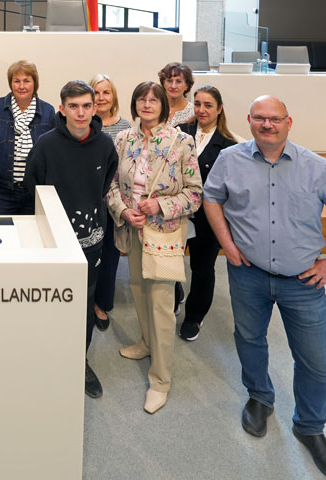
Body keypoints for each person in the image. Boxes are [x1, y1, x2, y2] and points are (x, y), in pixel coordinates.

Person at [203, 95, 326, 475]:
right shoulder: (230, 160)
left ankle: (309, 425)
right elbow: (211, 198)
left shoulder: (315, 166)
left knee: (316, 360)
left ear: (289, 122)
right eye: (259, 118)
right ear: (249, 121)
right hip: (248, 274)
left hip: (303, 281)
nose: (267, 125)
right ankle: (259, 397)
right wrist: (227, 244)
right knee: (250, 339)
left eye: (274, 119)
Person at [106, 81, 201, 414]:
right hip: (132, 231)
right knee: (138, 289)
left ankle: (160, 380)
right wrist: (123, 210)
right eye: (141, 100)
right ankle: (147, 343)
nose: (147, 105)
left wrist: (160, 206)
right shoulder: (123, 140)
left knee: (161, 303)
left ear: (164, 105)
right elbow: (112, 187)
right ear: (134, 105)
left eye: (153, 100)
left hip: (164, 234)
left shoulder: (181, 142)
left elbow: (194, 195)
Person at [24, 80, 118, 399]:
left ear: (95, 108)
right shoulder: (46, 145)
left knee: (83, 307)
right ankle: (46, 360)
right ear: (62, 109)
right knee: (48, 302)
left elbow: (105, 183)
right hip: (52, 244)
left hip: (91, 243)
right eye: (73, 106)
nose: (80, 113)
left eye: (86, 106)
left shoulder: (105, 146)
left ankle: (80, 360)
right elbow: (32, 189)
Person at [176, 85, 237, 342]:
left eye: (208, 105)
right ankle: (174, 298)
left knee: (202, 268)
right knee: (170, 261)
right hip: (176, 212)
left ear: (219, 109)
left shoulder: (229, 146)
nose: (201, 110)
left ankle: (194, 317)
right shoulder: (180, 132)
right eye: (198, 104)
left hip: (208, 217)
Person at [89, 74, 131, 331]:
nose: (101, 97)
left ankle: (101, 304)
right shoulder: (84, 123)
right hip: (87, 199)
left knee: (109, 255)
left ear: (113, 96)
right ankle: (83, 300)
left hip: (114, 203)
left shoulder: (125, 126)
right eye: (96, 92)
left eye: (106, 92)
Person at [0, 60, 55, 215]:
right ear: (10, 84)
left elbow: (52, 156)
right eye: (16, 81)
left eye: (27, 81)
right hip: (2, 191)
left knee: (32, 236)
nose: (21, 86)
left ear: (35, 83)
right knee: (4, 235)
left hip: (34, 192)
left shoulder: (47, 111)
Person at [158, 62, 195, 313]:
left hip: (182, 190)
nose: (173, 85)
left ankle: (174, 288)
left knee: (177, 245)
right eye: (169, 80)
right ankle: (167, 288)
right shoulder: (154, 107)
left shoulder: (194, 112)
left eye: (178, 81)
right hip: (156, 186)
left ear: (187, 86)